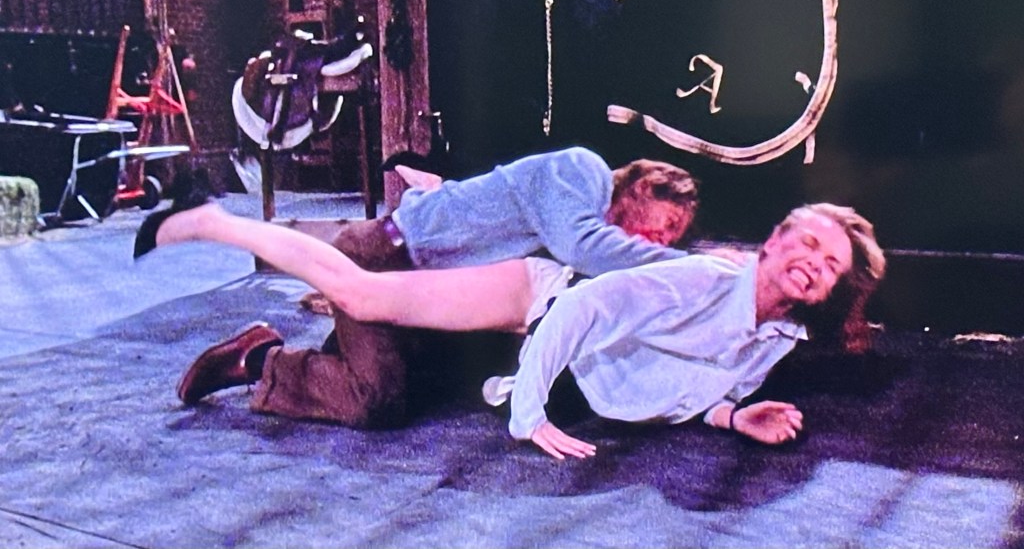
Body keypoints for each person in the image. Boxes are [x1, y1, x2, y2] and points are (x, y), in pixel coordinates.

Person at [142, 201, 884, 459]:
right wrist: (527, 418)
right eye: (807, 244)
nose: (812, 265)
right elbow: (580, 312)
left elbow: (678, 379)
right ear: (774, 241)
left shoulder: (776, 338)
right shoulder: (705, 280)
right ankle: (212, 221)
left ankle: (260, 358)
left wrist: (728, 415)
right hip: (534, 300)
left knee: (380, 396)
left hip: (523, 353)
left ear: (832, 291)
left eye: (830, 265)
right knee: (360, 292)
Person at [136, 147, 700, 427]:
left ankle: (307, 352)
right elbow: (582, 247)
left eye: (674, 237)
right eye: (668, 222)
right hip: (382, 258)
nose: (662, 239)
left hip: (419, 281)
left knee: (420, 387)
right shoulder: (583, 172)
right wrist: (690, 267)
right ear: (645, 186)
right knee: (375, 400)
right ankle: (260, 360)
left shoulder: (585, 216)